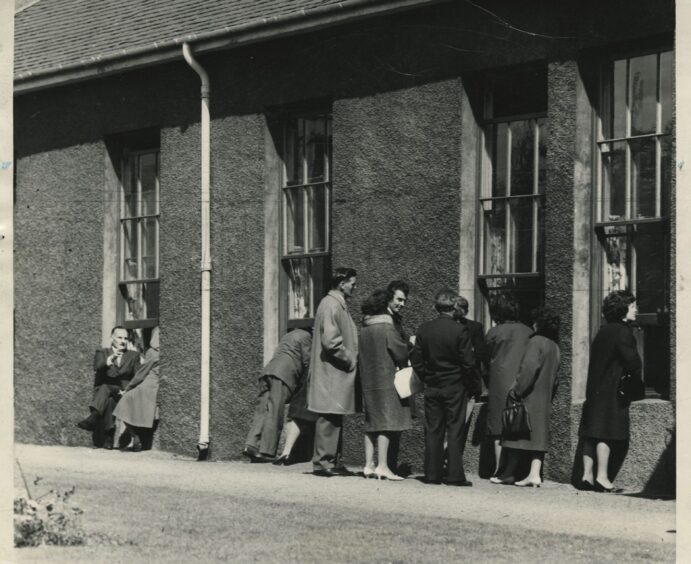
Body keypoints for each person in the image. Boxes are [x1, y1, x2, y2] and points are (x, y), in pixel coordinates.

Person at [410, 288, 476, 486]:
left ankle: (432, 474)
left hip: (433, 385)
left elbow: (416, 359)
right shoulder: (459, 330)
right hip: (454, 385)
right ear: (454, 307)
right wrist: (470, 384)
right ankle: (455, 475)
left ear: (435, 307)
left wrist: (426, 376)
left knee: (433, 429)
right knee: (455, 429)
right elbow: (468, 362)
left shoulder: (424, 329)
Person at [579, 290, 642, 493]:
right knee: (605, 433)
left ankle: (586, 476)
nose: (636, 310)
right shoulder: (623, 332)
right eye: (633, 306)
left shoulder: (603, 331)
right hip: (612, 389)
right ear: (623, 309)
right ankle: (602, 478)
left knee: (591, 433)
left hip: (595, 388)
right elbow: (632, 363)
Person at [494, 307, 561, 487]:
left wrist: (516, 391)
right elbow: (556, 379)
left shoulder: (536, 342)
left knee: (516, 433)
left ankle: (509, 473)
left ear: (538, 324)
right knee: (538, 436)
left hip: (529, 395)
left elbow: (528, 369)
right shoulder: (555, 346)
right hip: (544, 396)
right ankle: (534, 474)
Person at [307, 267, 359, 477]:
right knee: (329, 416)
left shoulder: (333, 304)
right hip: (332, 371)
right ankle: (323, 463)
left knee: (333, 416)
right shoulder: (331, 305)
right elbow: (331, 341)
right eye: (352, 283)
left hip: (334, 371)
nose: (354, 287)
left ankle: (329, 461)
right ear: (341, 283)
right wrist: (349, 358)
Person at [359, 289, 411, 481]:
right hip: (386, 379)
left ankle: (368, 465)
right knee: (386, 423)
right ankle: (383, 465)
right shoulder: (387, 328)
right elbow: (400, 353)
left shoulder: (364, 328)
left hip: (368, 379)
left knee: (371, 422)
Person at [243, 327, 313, 462]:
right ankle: (266, 452)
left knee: (262, 411)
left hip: (267, 372)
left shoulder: (287, 336)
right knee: (275, 412)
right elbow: (307, 361)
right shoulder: (306, 336)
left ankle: (251, 445)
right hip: (283, 375)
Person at [485, 294, 533, 481]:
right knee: (514, 426)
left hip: (498, 382)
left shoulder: (494, 332)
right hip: (519, 382)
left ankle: (499, 468)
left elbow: (485, 354)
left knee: (498, 428)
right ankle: (512, 469)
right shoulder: (528, 331)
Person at [77, 326, 140, 449]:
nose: (123, 341)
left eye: (125, 338)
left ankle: (94, 417)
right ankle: (109, 438)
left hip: (124, 391)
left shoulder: (133, 355)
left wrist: (128, 389)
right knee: (109, 397)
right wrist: (109, 361)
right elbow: (97, 366)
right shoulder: (103, 352)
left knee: (107, 389)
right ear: (112, 338)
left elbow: (138, 376)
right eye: (119, 337)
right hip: (107, 393)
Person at [113, 327, 161, 452]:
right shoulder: (164, 352)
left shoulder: (152, 352)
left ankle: (135, 436)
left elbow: (142, 372)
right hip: (156, 385)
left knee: (124, 401)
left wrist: (128, 388)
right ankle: (137, 438)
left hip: (148, 385)